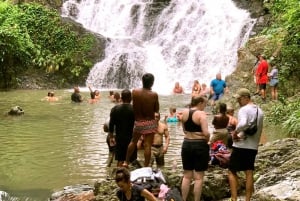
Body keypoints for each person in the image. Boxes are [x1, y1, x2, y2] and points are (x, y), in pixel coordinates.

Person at [229, 88, 263, 201]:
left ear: (245, 98)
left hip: (241, 146)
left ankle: (234, 198)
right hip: (253, 147)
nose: (238, 101)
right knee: (249, 172)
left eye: (239, 98)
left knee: (232, 171)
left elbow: (243, 123)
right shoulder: (260, 111)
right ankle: (247, 199)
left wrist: (235, 132)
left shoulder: (244, 109)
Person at [123, 73, 159, 168]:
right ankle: (146, 166)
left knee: (133, 142)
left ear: (142, 81)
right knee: (147, 145)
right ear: (152, 83)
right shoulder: (154, 95)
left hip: (138, 121)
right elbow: (156, 109)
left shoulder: (134, 92)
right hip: (150, 122)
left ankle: (126, 162)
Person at [180, 96, 210, 201]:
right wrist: (207, 139)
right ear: (200, 103)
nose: (205, 106)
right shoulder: (201, 114)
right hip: (199, 145)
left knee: (187, 176)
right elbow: (206, 133)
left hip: (186, 144)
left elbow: (184, 130)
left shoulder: (184, 112)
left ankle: (183, 199)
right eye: (205, 104)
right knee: (198, 177)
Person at [108, 89, 137, 167]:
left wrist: (111, 137)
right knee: (131, 160)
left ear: (121, 98)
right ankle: (130, 176)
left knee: (120, 159)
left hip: (119, 137)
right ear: (131, 98)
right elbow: (138, 124)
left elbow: (111, 125)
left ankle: (119, 176)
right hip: (132, 138)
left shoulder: (115, 109)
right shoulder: (135, 109)